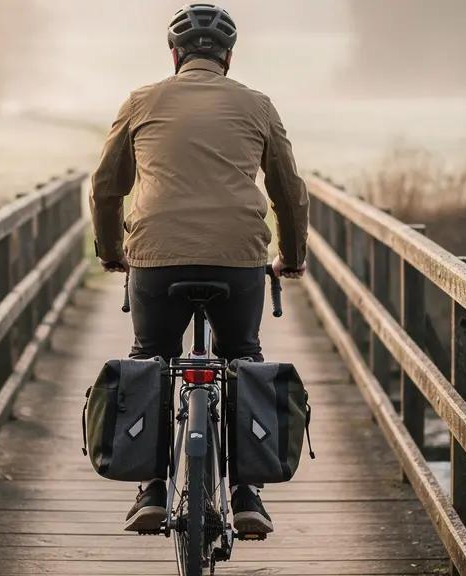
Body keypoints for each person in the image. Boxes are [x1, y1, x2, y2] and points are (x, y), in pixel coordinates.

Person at [89, 3, 309, 536]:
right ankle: (247, 494)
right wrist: (292, 258)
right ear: (229, 57)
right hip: (238, 261)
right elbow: (289, 193)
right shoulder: (257, 105)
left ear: (174, 54)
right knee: (244, 358)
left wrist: (112, 249)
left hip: (157, 259)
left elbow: (105, 186)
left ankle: (151, 489)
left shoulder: (141, 101)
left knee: (151, 357)